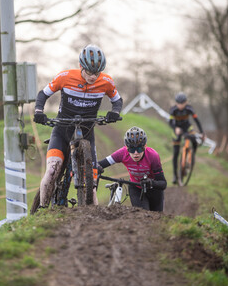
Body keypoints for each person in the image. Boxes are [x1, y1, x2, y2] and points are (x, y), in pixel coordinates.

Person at [33, 44, 123, 208]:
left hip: (87, 132)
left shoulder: (106, 81)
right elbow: (43, 94)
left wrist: (114, 112)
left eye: (96, 73)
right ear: (81, 66)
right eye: (89, 72)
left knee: (92, 182)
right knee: (52, 171)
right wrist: (39, 111)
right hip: (62, 131)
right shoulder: (65, 77)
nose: (92, 77)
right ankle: (43, 210)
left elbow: (117, 100)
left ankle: (92, 217)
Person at [98, 126, 167, 212]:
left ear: (145, 146)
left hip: (154, 190)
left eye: (139, 149)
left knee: (157, 219)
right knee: (143, 216)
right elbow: (99, 164)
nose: (136, 153)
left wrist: (151, 182)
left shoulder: (153, 156)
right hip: (136, 188)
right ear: (126, 147)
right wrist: (97, 169)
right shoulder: (122, 153)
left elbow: (163, 184)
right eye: (132, 149)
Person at [169, 92, 205, 184]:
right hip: (176, 129)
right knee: (176, 153)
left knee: (194, 138)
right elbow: (170, 122)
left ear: (186, 102)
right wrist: (175, 128)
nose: (180, 105)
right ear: (176, 103)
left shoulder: (190, 109)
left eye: (182, 103)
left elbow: (196, 120)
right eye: (179, 103)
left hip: (187, 127)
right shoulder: (173, 110)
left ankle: (192, 155)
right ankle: (175, 175)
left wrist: (202, 132)